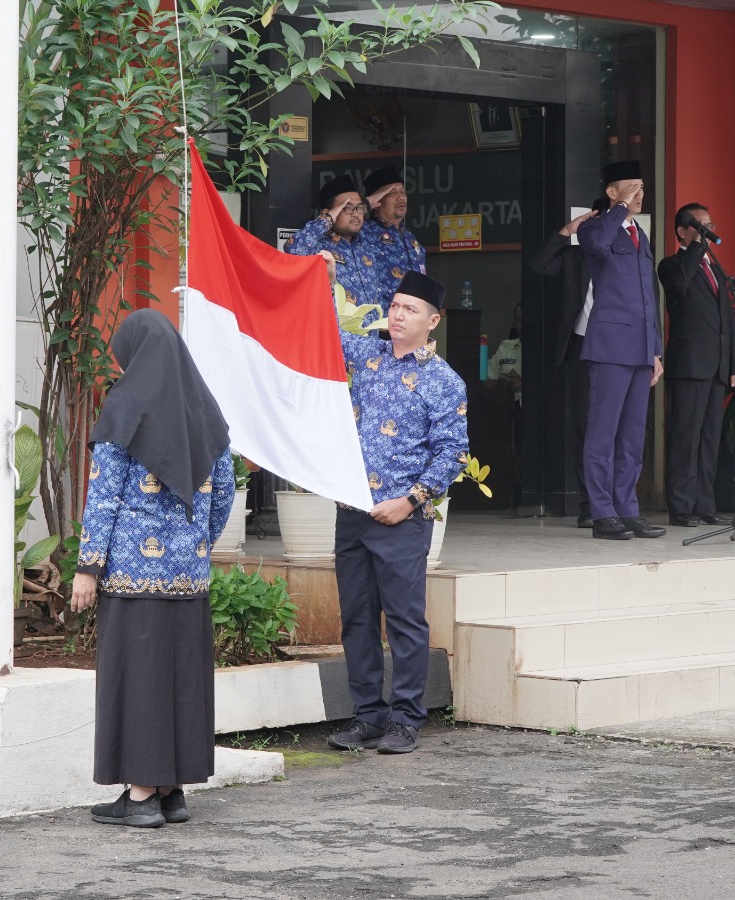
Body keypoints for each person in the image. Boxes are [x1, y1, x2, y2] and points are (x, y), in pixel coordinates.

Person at [70, 309, 234, 829]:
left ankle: (140, 796)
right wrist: (197, 541)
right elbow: (226, 490)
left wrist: (87, 567)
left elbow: (103, 497)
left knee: (139, 679)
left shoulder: (126, 405)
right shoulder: (204, 408)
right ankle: (171, 791)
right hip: (190, 576)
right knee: (181, 678)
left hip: (132, 576)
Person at [327, 272, 468, 756]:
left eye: (410, 308)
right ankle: (367, 716)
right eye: (395, 304)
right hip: (353, 512)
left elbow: (452, 455)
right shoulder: (366, 356)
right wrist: (325, 282)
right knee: (357, 619)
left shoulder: (445, 383)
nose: (398, 313)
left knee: (405, 620)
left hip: (402, 518)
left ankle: (406, 719)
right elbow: (320, 329)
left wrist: (410, 500)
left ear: (433, 320)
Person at [577, 161, 666, 541]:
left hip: (640, 348)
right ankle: (602, 512)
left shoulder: (638, 235)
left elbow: (650, 297)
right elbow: (594, 245)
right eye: (632, 187)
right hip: (611, 346)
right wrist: (617, 210)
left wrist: (657, 350)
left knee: (632, 436)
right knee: (603, 433)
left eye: (642, 188)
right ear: (613, 193)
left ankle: (627, 509)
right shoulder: (598, 227)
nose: (640, 194)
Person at [658, 203, 735, 527]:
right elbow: (678, 286)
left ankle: (705, 505)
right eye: (699, 225)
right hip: (689, 365)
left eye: (710, 224)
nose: (707, 231)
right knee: (684, 437)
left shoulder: (715, 268)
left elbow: (727, 318)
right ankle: (680, 507)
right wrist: (695, 246)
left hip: (717, 366)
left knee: (709, 440)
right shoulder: (672, 264)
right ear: (682, 230)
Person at [530, 201, 604, 527]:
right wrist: (567, 231)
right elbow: (540, 263)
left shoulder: (628, 259)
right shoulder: (576, 258)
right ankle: (591, 506)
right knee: (587, 428)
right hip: (583, 349)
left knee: (618, 431)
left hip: (620, 352)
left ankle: (618, 503)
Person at [285, 175, 386, 326]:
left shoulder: (366, 243)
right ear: (330, 213)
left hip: (370, 339)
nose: (355, 213)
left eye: (359, 208)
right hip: (336, 338)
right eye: (347, 207)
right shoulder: (317, 245)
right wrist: (328, 218)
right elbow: (292, 248)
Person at [361, 167, 429, 311]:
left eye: (403, 192)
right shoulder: (363, 233)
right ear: (376, 201)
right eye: (392, 193)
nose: (401, 197)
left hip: (412, 322)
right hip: (381, 323)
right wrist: (365, 204)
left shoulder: (411, 238)